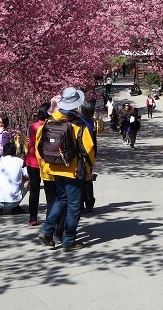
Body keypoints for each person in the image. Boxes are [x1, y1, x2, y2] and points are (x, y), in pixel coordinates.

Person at [37, 87, 97, 252]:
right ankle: (69, 240)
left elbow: (38, 146)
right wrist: (89, 168)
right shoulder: (78, 124)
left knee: (61, 200)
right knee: (74, 205)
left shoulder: (49, 121)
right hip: (72, 170)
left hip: (55, 168)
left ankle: (47, 230)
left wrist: (47, 165)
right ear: (76, 105)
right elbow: (89, 148)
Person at [25, 103, 49, 226]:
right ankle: (50, 218)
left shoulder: (32, 126)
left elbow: (30, 145)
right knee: (50, 191)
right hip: (46, 162)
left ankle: (32, 218)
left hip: (32, 161)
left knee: (34, 190)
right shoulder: (50, 126)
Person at [0, 142, 28, 215]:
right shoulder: (20, 161)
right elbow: (27, 174)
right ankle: (15, 207)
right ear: (15, 151)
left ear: (3, 152)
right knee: (27, 180)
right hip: (13, 201)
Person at [80, 101, 98, 211]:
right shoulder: (91, 123)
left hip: (81, 154)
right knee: (88, 179)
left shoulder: (80, 122)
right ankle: (89, 201)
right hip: (90, 154)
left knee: (80, 180)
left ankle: (81, 203)